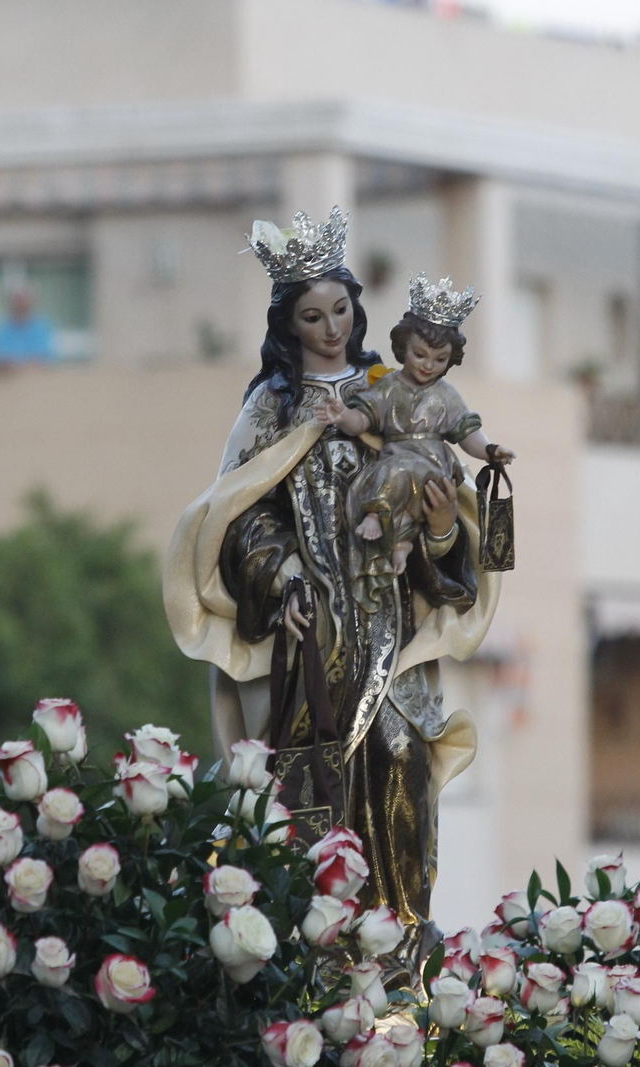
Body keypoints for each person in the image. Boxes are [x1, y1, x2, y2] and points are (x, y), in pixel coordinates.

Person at [164, 208, 502, 963]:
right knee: (313, 790)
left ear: (358, 307)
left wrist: (444, 529)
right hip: (311, 638)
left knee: (401, 766)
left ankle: (405, 946)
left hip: (391, 629)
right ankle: (320, 955)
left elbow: (443, 548)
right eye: (311, 316)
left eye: (340, 311)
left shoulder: (394, 395)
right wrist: (282, 575)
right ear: (288, 325)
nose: (329, 329)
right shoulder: (271, 409)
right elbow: (238, 516)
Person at [318, 274, 516, 608]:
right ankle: (397, 539)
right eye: (420, 355)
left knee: (407, 478)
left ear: (450, 359)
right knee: (395, 475)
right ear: (403, 348)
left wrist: (490, 451)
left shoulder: (446, 395)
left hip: (434, 468)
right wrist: (343, 416)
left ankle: (386, 525)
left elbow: (467, 434)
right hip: (396, 461)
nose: (428, 366)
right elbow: (362, 420)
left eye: (440, 360)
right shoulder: (388, 388)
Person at [0, 286, 56, 371]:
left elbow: (47, 360)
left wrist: (18, 366)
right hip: (7, 381)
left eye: (24, 304)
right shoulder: (1, 328)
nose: (21, 306)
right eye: (17, 303)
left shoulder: (42, 328)